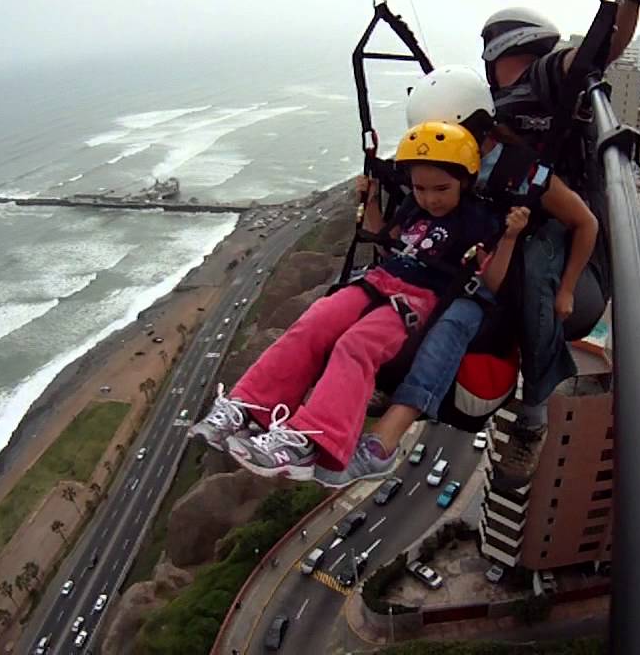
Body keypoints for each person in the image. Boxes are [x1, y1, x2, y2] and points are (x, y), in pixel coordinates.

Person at [189, 121, 529, 479]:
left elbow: (493, 280)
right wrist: (369, 201)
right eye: (420, 187)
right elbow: (390, 243)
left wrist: (509, 237)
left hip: (416, 300)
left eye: (441, 188)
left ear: (466, 180)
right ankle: (250, 407)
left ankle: (311, 439)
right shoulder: (415, 208)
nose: (431, 198)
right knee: (314, 321)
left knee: (357, 344)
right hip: (379, 281)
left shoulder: (478, 220)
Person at [314, 66, 598, 488]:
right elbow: (400, 238)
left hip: (508, 250)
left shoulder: (519, 171)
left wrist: (568, 287)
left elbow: (585, 222)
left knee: (533, 298)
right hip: (451, 259)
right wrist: (373, 202)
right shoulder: (435, 179)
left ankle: (532, 416)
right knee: (360, 294)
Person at [481, 0, 640, 488]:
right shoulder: (498, 110)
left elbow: (598, 51)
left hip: (571, 245)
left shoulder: (542, 78)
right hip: (540, 226)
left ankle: (531, 418)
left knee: (534, 266)